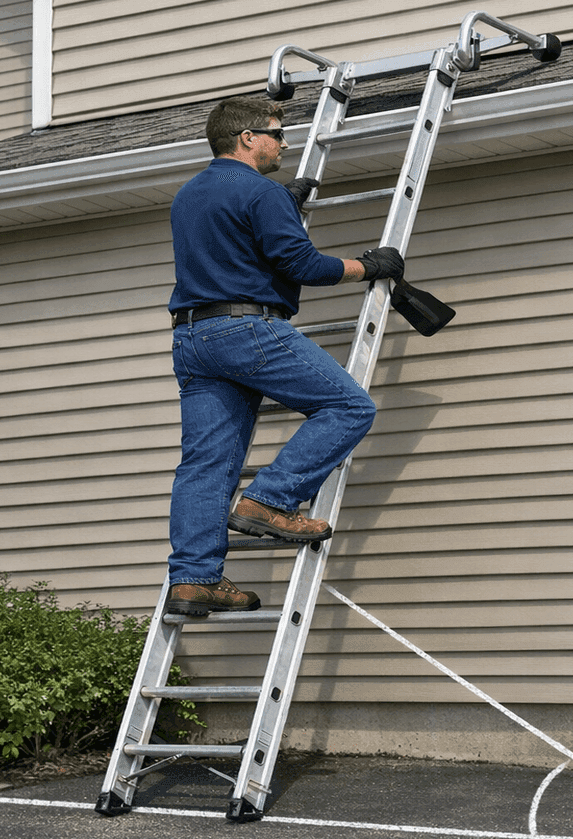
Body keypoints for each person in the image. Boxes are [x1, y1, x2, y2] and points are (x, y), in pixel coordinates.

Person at [163, 95, 404, 616]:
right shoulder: (261, 192)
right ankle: (269, 500)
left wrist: (283, 208)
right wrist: (369, 265)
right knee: (349, 407)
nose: (285, 143)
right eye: (276, 133)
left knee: (205, 465)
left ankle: (193, 580)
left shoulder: (189, 194)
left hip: (193, 339)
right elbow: (305, 266)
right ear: (247, 138)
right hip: (245, 329)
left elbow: (234, 247)